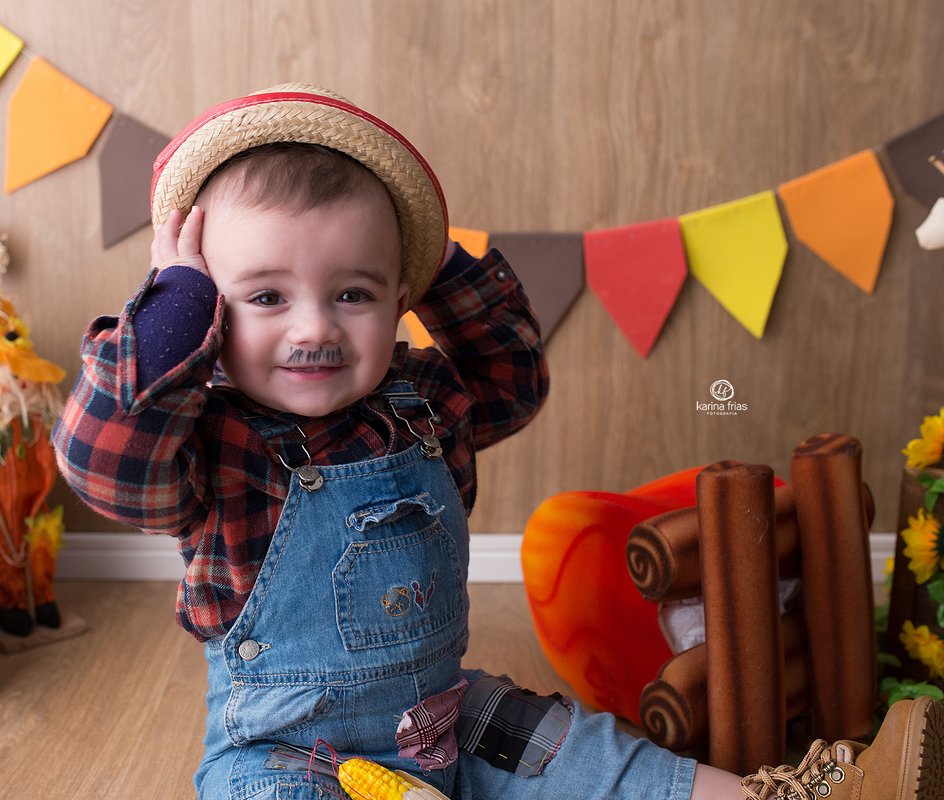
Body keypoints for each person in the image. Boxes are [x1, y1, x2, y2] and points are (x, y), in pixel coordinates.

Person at [53, 84, 941, 800]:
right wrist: (171, 301)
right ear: (211, 314)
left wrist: (433, 257)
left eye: (354, 292)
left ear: (400, 298)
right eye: (266, 297)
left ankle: (787, 794)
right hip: (286, 755)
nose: (315, 327)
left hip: (444, 718)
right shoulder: (208, 443)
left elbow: (515, 377)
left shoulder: (425, 400)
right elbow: (102, 461)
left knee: (589, 755)